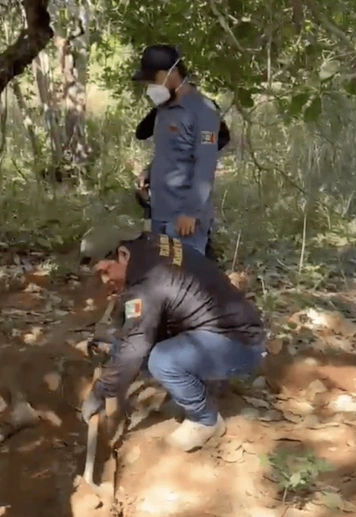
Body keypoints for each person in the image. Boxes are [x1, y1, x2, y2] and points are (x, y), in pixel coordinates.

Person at [78, 221, 267, 451]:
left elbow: (135, 346)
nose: (106, 280)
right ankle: (203, 381)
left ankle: (205, 420)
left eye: (106, 271)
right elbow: (138, 322)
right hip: (225, 327)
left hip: (239, 343)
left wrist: (101, 391)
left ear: (122, 253)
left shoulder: (148, 285)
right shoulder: (150, 245)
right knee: (131, 345)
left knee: (161, 360)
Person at [131, 45, 223, 256]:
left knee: (183, 280)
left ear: (172, 73)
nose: (151, 85)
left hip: (183, 220)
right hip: (160, 214)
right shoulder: (164, 109)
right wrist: (149, 173)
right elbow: (170, 151)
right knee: (163, 276)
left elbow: (206, 165)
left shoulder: (203, 110)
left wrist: (191, 212)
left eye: (153, 79)